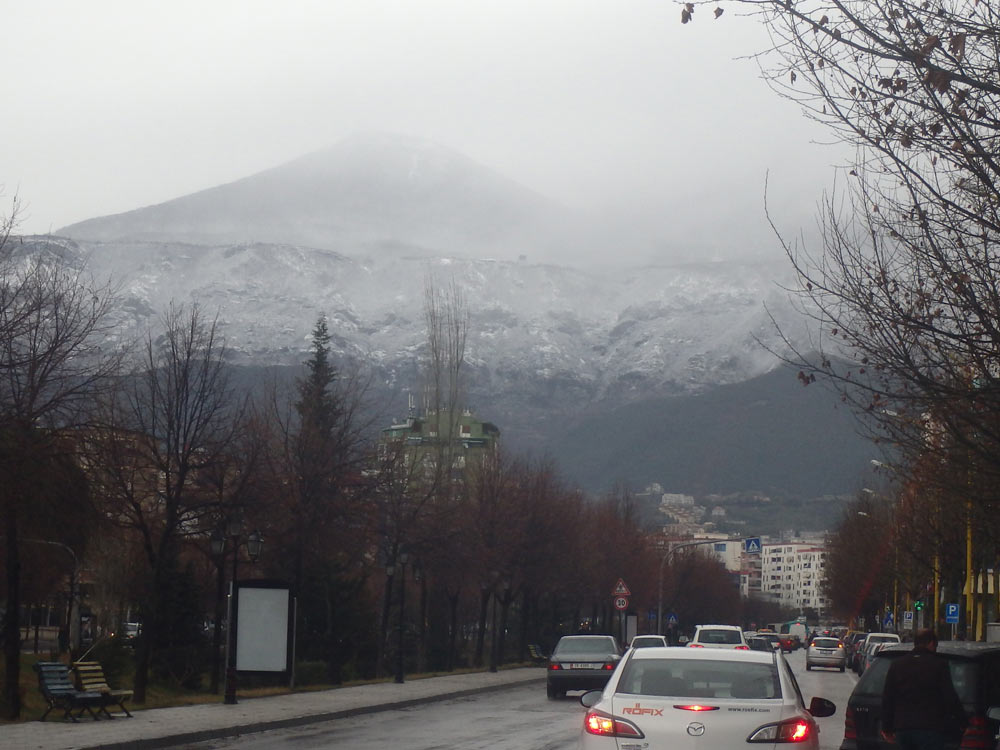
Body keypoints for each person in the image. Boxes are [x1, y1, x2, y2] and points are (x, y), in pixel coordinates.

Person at [881, 628, 966, 750]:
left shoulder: (897, 664)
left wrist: (886, 727)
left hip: (903, 729)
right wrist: (962, 722)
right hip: (931, 729)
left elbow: (888, 698)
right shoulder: (939, 665)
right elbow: (949, 696)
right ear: (931, 643)